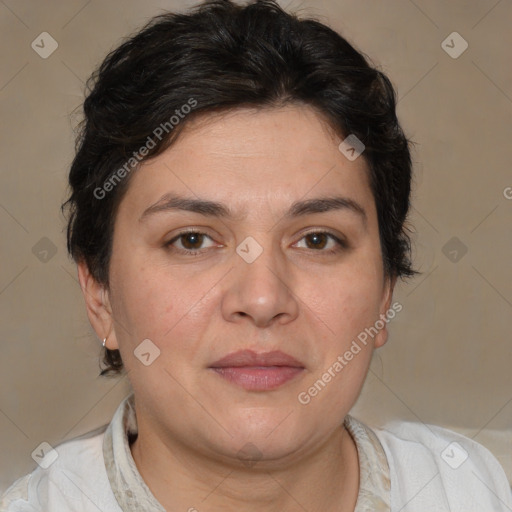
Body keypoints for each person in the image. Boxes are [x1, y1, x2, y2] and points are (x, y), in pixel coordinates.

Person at [2, 0, 511, 510]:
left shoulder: (473, 491)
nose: (263, 298)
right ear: (100, 296)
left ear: (385, 292)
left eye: (317, 240)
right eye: (192, 240)